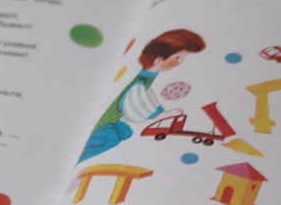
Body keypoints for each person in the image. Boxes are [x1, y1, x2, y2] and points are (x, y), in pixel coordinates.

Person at [78, 29, 205, 163]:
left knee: (124, 131)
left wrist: (162, 112)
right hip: (105, 128)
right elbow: (136, 105)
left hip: (113, 126)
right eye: (178, 57)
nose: (180, 61)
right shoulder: (138, 83)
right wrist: (160, 115)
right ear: (158, 60)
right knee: (111, 136)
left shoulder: (145, 80)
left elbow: (148, 96)